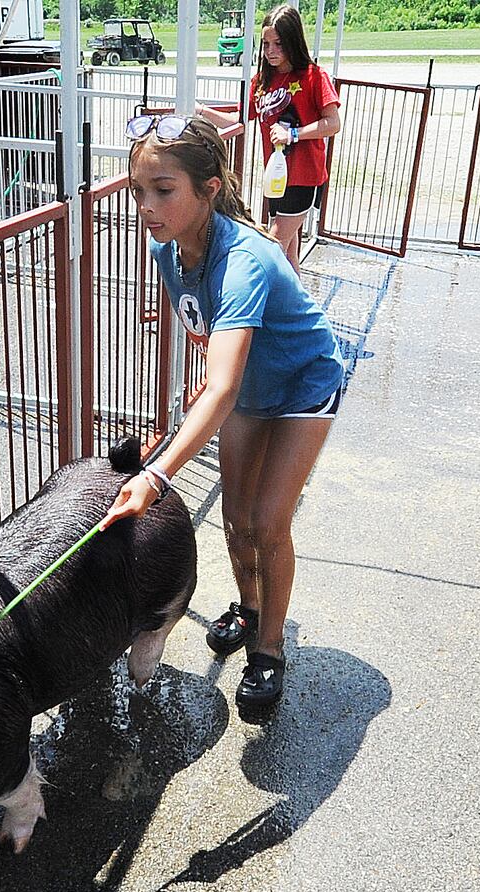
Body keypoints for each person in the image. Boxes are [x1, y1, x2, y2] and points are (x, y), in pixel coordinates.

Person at [98, 113, 345, 709]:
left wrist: (156, 475)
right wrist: (210, 379)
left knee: (266, 521)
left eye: (163, 191)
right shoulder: (170, 248)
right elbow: (204, 326)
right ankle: (251, 605)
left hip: (302, 386)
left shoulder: (247, 258)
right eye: (138, 191)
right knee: (234, 522)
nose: (146, 207)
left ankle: (270, 647)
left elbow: (224, 388)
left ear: (209, 190)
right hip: (248, 388)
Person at [196, 4, 342, 273]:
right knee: (288, 255)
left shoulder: (313, 76)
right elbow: (241, 119)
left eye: (279, 43)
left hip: (304, 176)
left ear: (293, 41)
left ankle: (261, 308)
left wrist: (294, 134)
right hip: (277, 177)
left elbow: (333, 123)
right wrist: (203, 111)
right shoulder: (262, 81)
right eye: (266, 44)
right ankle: (296, 311)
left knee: (272, 245)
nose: (271, 51)